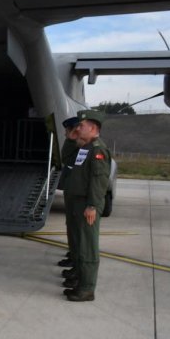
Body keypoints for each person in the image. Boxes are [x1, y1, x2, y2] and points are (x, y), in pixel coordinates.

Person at [62, 110, 111, 302]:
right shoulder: (85, 147)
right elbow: (66, 159)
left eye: (81, 125)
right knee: (79, 242)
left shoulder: (98, 150)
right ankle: (81, 282)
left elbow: (99, 181)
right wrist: (71, 139)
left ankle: (87, 289)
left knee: (87, 246)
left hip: (86, 204)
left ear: (93, 128)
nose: (78, 128)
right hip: (77, 202)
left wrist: (92, 205)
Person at [56, 116, 80, 272]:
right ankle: (74, 254)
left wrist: (71, 141)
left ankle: (76, 258)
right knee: (72, 226)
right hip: (72, 191)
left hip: (78, 193)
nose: (65, 134)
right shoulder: (76, 146)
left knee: (77, 228)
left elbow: (67, 159)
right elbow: (65, 158)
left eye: (67, 131)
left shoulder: (83, 148)